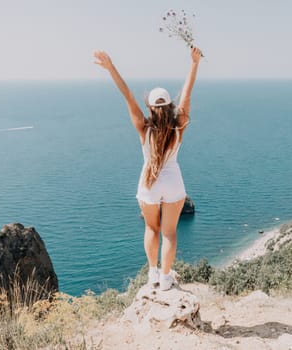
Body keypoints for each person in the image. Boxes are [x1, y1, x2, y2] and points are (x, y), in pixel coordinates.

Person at [94, 47, 202, 291]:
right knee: (169, 233)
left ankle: (153, 273)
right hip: (174, 184)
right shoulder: (178, 127)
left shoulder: (144, 128)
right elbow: (187, 93)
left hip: (148, 183)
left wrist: (110, 67)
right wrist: (194, 63)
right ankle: (165, 278)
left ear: (151, 107)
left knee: (151, 228)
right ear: (170, 106)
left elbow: (128, 96)